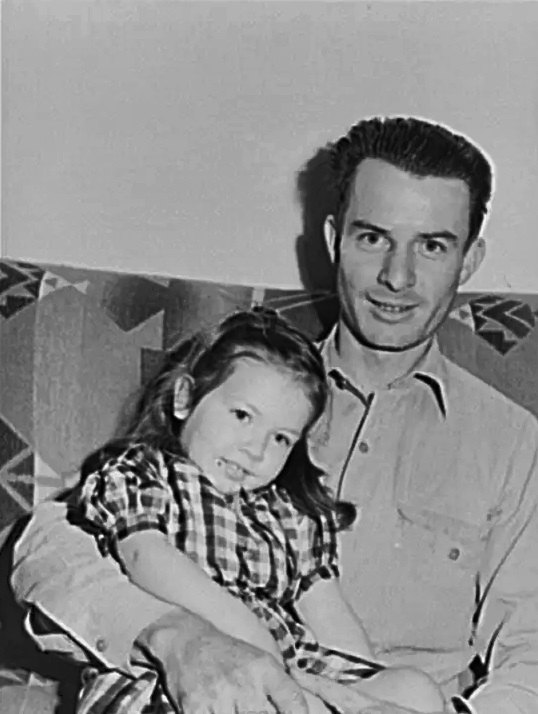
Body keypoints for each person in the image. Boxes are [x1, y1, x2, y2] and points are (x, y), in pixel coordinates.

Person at [10, 115, 538, 714]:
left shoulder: (515, 443)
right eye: (373, 238)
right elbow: (47, 549)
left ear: (469, 261)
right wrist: (171, 636)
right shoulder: (247, 388)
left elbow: (534, 652)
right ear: (335, 239)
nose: (398, 276)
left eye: (433, 246)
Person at [67, 306, 443, 714]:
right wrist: (254, 642)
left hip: (287, 673)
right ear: (184, 398)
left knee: (415, 690)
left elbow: (331, 616)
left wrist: (362, 695)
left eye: (281, 438)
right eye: (243, 415)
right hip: (176, 675)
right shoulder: (145, 473)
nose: (256, 449)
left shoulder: (288, 515)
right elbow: (146, 558)